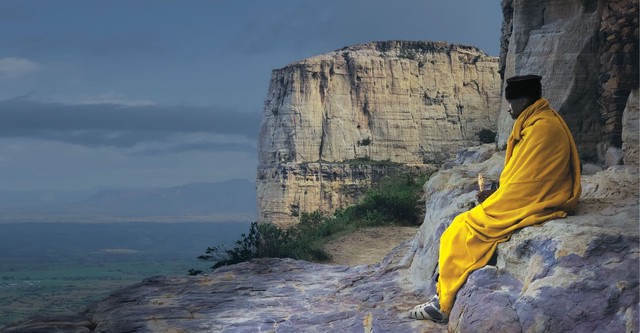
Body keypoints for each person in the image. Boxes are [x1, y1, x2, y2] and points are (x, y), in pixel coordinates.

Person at [408, 74, 582, 323]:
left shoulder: (543, 128)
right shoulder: (538, 120)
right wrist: (498, 190)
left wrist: (498, 197)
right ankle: (442, 292)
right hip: (532, 192)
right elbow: (525, 173)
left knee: (464, 228)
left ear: (522, 101)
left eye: (511, 103)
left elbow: (531, 183)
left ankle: (443, 305)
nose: (509, 108)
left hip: (545, 196)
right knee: (460, 224)